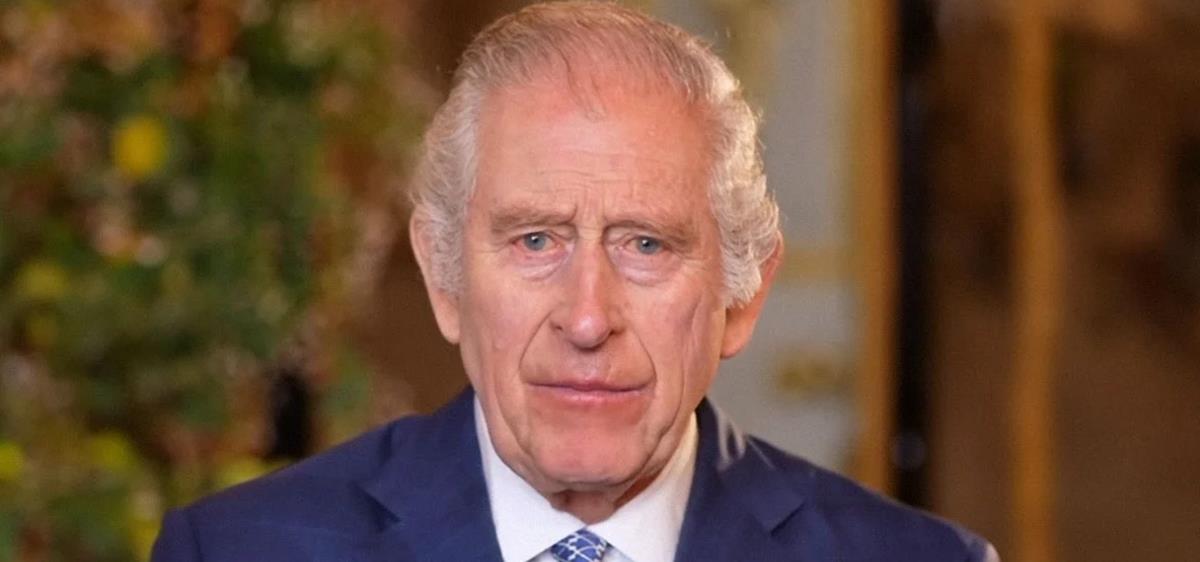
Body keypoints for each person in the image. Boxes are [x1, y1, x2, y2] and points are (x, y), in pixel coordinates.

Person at [151, 2, 998, 561]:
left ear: (742, 297)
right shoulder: (239, 552)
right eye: (534, 240)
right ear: (444, 277)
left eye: (646, 245)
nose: (588, 319)